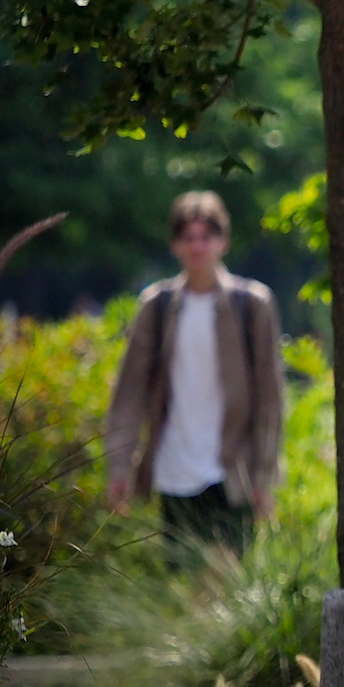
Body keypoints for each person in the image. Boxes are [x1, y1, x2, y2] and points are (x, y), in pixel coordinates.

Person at [103, 191, 285, 562]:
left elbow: (270, 398)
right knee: (185, 585)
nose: (198, 246)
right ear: (175, 245)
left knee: (230, 583)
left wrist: (265, 477)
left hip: (232, 470)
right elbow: (129, 392)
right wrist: (119, 467)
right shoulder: (158, 306)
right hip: (173, 467)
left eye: (206, 237)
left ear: (223, 242)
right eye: (189, 237)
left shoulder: (252, 304)